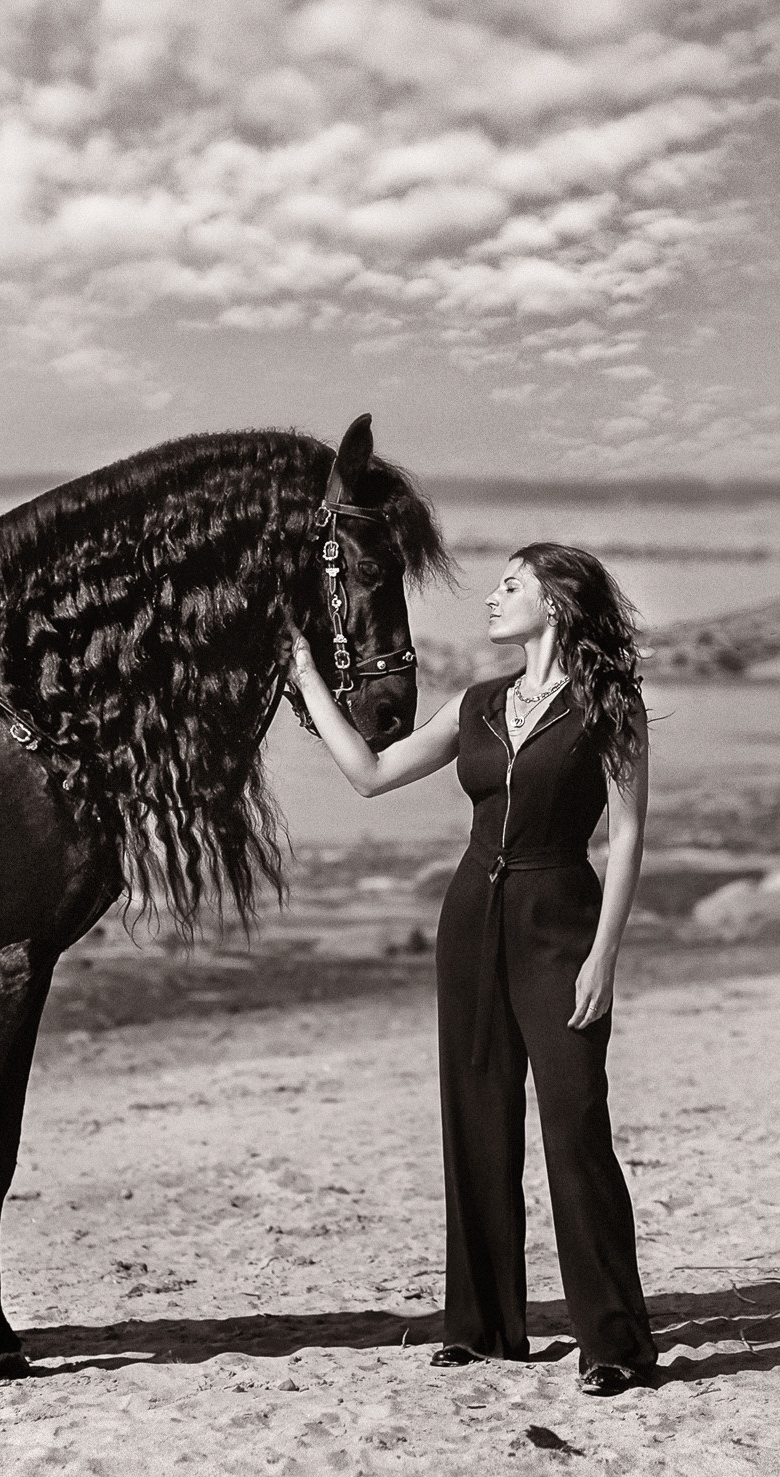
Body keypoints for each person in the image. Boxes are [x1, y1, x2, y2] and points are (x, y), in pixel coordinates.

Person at [285, 541, 660, 1396]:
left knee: (575, 1129)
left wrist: (604, 954)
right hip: (470, 921)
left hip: (558, 922)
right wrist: (307, 677)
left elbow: (630, 836)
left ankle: (615, 1345)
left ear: (556, 603)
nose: (492, 598)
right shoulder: (478, 703)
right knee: (477, 1122)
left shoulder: (611, 704)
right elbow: (373, 775)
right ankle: (487, 1327)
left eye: (511, 585)